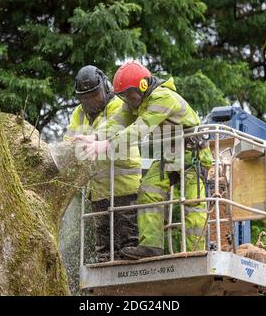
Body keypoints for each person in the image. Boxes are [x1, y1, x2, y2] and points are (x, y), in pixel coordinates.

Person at [78, 61, 213, 259]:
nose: (128, 101)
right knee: (148, 191)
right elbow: (117, 122)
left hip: (193, 154)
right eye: (123, 97)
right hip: (171, 154)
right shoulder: (135, 102)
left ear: (143, 86)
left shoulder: (163, 98)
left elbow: (138, 130)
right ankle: (151, 247)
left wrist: (106, 146)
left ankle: (196, 253)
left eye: (130, 96)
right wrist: (95, 138)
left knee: (193, 204)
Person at [65, 65, 141, 261]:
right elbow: (69, 140)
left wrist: (88, 139)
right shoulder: (78, 114)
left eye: (95, 96)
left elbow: (112, 129)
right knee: (105, 250)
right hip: (98, 192)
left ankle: (130, 283)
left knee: (127, 245)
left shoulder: (119, 106)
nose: (91, 102)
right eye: (86, 98)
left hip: (125, 188)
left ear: (106, 88)